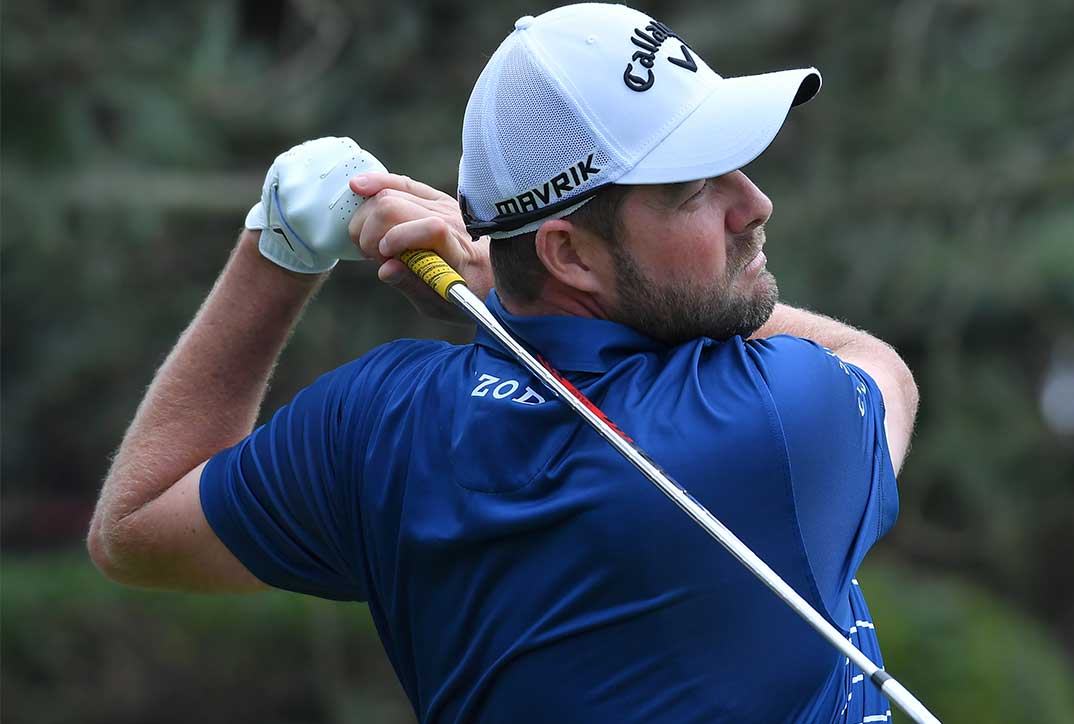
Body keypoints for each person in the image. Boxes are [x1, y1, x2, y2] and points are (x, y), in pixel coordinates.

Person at [88, 4, 918, 723]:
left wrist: (281, 244)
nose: (754, 204)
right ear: (569, 255)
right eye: (693, 190)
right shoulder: (777, 416)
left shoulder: (381, 421)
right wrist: (490, 280)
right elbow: (873, 360)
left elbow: (135, 528)